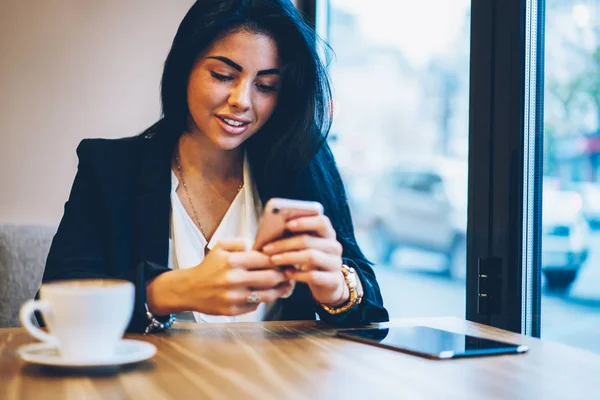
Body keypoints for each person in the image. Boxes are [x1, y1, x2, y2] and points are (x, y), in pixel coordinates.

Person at [40, 0, 388, 333]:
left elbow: (371, 304)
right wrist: (171, 291)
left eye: (266, 86)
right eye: (223, 75)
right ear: (185, 68)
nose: (242, 101)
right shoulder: (111, 169)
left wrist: (340, 290)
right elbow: (51, 310)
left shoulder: (303, 164)